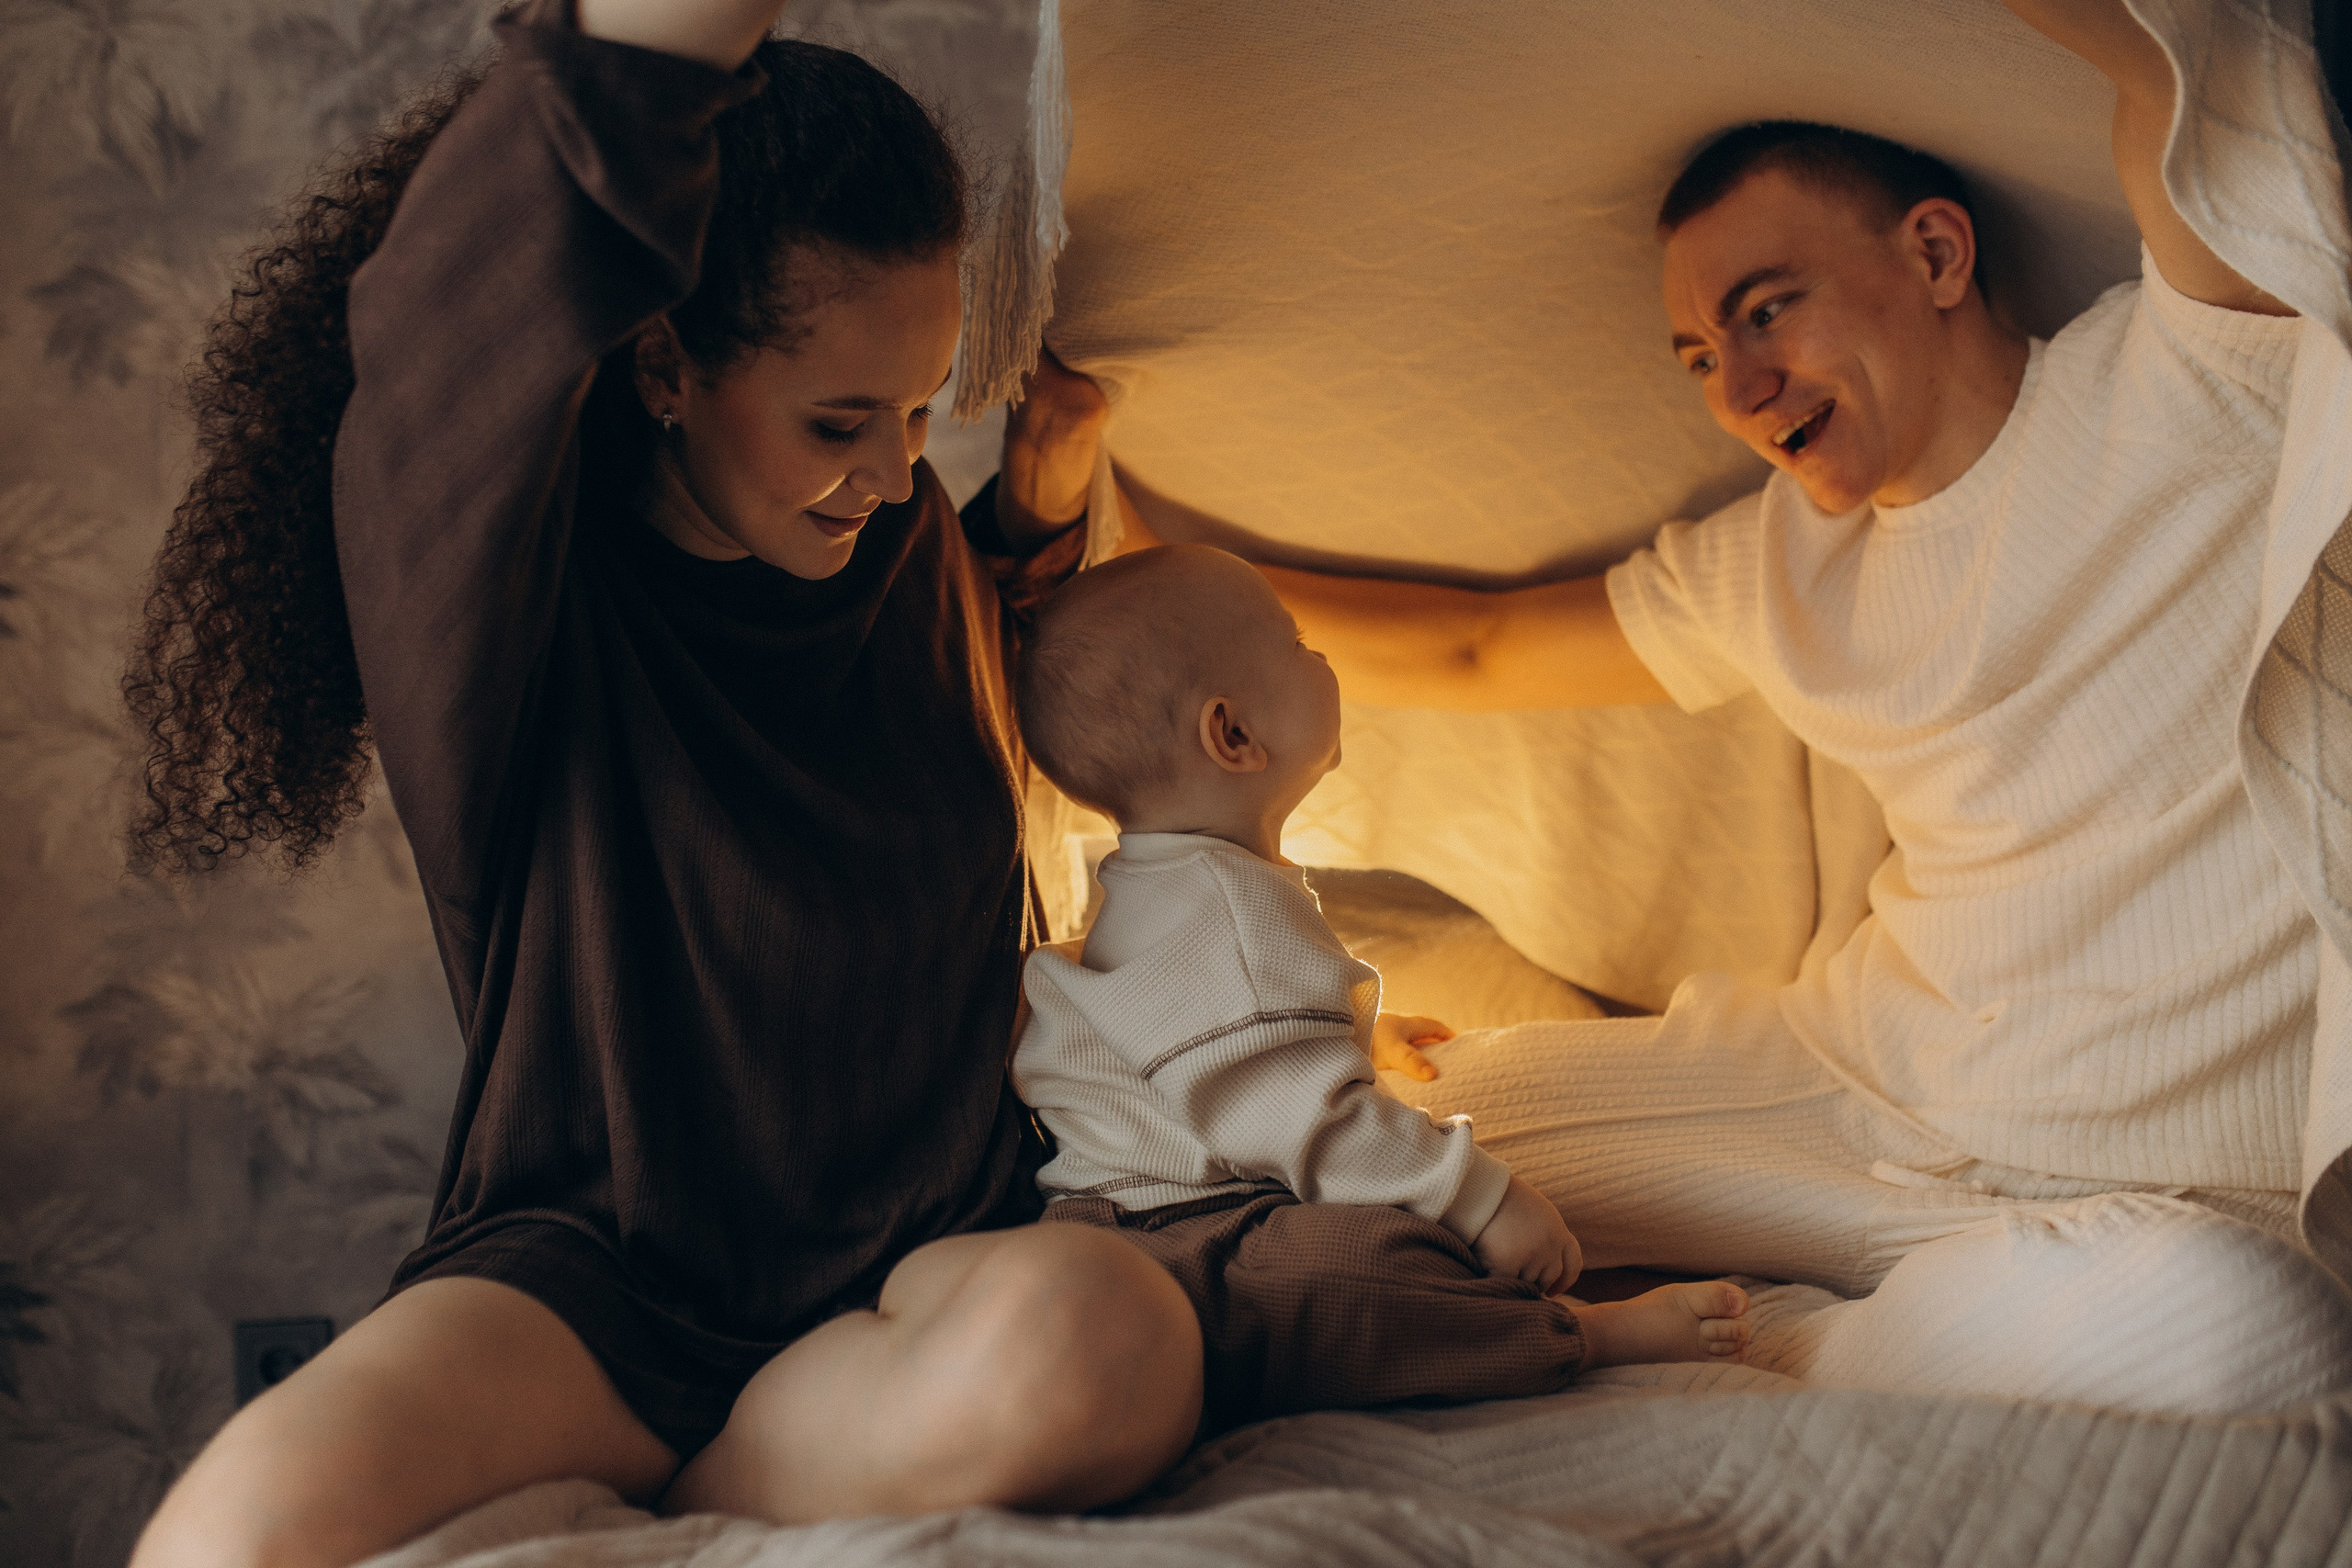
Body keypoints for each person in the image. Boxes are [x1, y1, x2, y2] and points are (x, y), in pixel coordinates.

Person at [993, 0, 2352, 1411]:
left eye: (1768, 308)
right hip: (1848, 1083)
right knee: (1373, 1149)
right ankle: (1712, 1317)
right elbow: (1477, 653)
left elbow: (2174, 68)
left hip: (2187, 1157)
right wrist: (1116, 535)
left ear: (1936, 252)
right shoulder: (1785, 560)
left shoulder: (2187, 380)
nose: (1745, 386)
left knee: (2256, 1328)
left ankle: (1785, 1341)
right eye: (1703, 356)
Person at [126, 2, 1204, 1563]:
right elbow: (456, 315)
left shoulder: (897, 540)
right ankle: (718, 1449)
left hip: (934, 1248)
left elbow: (928, 677)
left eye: (922, 408)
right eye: (841, 420)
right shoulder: (505, 608)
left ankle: (724, 1482)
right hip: (601, 1278)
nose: (896, 469)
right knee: (229, 1532)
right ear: (665, 368)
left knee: (1117, 1345)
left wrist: (1027, 519)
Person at [1009, 545, 1749, 1435]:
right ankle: (1578, 1339)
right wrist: (1485, 1201)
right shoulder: (1231, 911)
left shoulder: (1173, 889)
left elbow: (1219, 1045)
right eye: (1297, 644)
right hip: (1180, 1242)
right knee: (1373, 1263)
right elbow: (1304, 1119)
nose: (1319, 660)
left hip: (1163, 1231)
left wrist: (1348, 1034)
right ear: (1233, 735)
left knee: (1357, 1260)